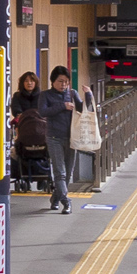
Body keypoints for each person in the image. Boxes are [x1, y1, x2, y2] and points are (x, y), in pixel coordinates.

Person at [40, 66, 88, 213]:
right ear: (53, 81)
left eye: (66, 82)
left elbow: (83, 109)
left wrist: (89, 95)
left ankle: (55, 199)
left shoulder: (72, 94)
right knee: (59, 172)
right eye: (60, 81)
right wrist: (62, 106)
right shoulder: (45, 95)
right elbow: (43, 112)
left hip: (71, 137)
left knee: (68, 172)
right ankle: (66, 201)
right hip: (53, 137)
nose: (63, 85)